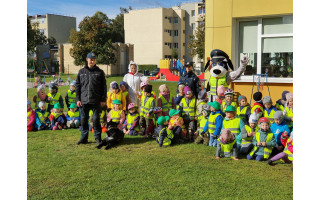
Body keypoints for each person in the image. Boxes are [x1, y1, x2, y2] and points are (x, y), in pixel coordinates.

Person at [75, 52, 107, 145]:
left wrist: (103, 100)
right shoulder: (81, 72)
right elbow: (77, 86)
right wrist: (78, 99)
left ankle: (98, 138)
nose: (92, 61)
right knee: (84, 120)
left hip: (96, 100)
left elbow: (103, 87)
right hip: (83, 100)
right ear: (87, 59)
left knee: (96, 120)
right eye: (90, 59)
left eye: (93, 59)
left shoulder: (100, 72)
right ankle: (84, 138)